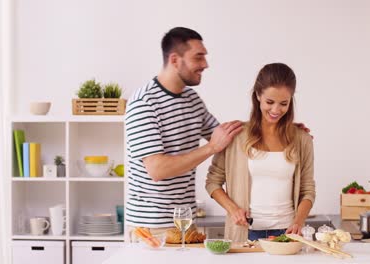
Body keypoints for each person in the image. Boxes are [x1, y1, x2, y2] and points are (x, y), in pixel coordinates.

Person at [124, 27, 243, 237]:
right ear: (175, 60)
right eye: (198, 57)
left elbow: (228, 136)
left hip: (186, 223)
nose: (205, 64)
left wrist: (279, 125)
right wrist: (212, 147)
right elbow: (157, 170)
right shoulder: (143, 103)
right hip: (152, 229)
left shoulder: (192, 100)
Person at [205, 63, 316, 242]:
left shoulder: (302, 138)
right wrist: (233, 209)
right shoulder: (236, 135)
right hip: (245, 232)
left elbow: (308, 189)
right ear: (258, 96)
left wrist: (298, 221)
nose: (275, 110)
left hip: (287, 233)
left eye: (283, 103)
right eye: (269, 102)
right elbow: (213, 182)